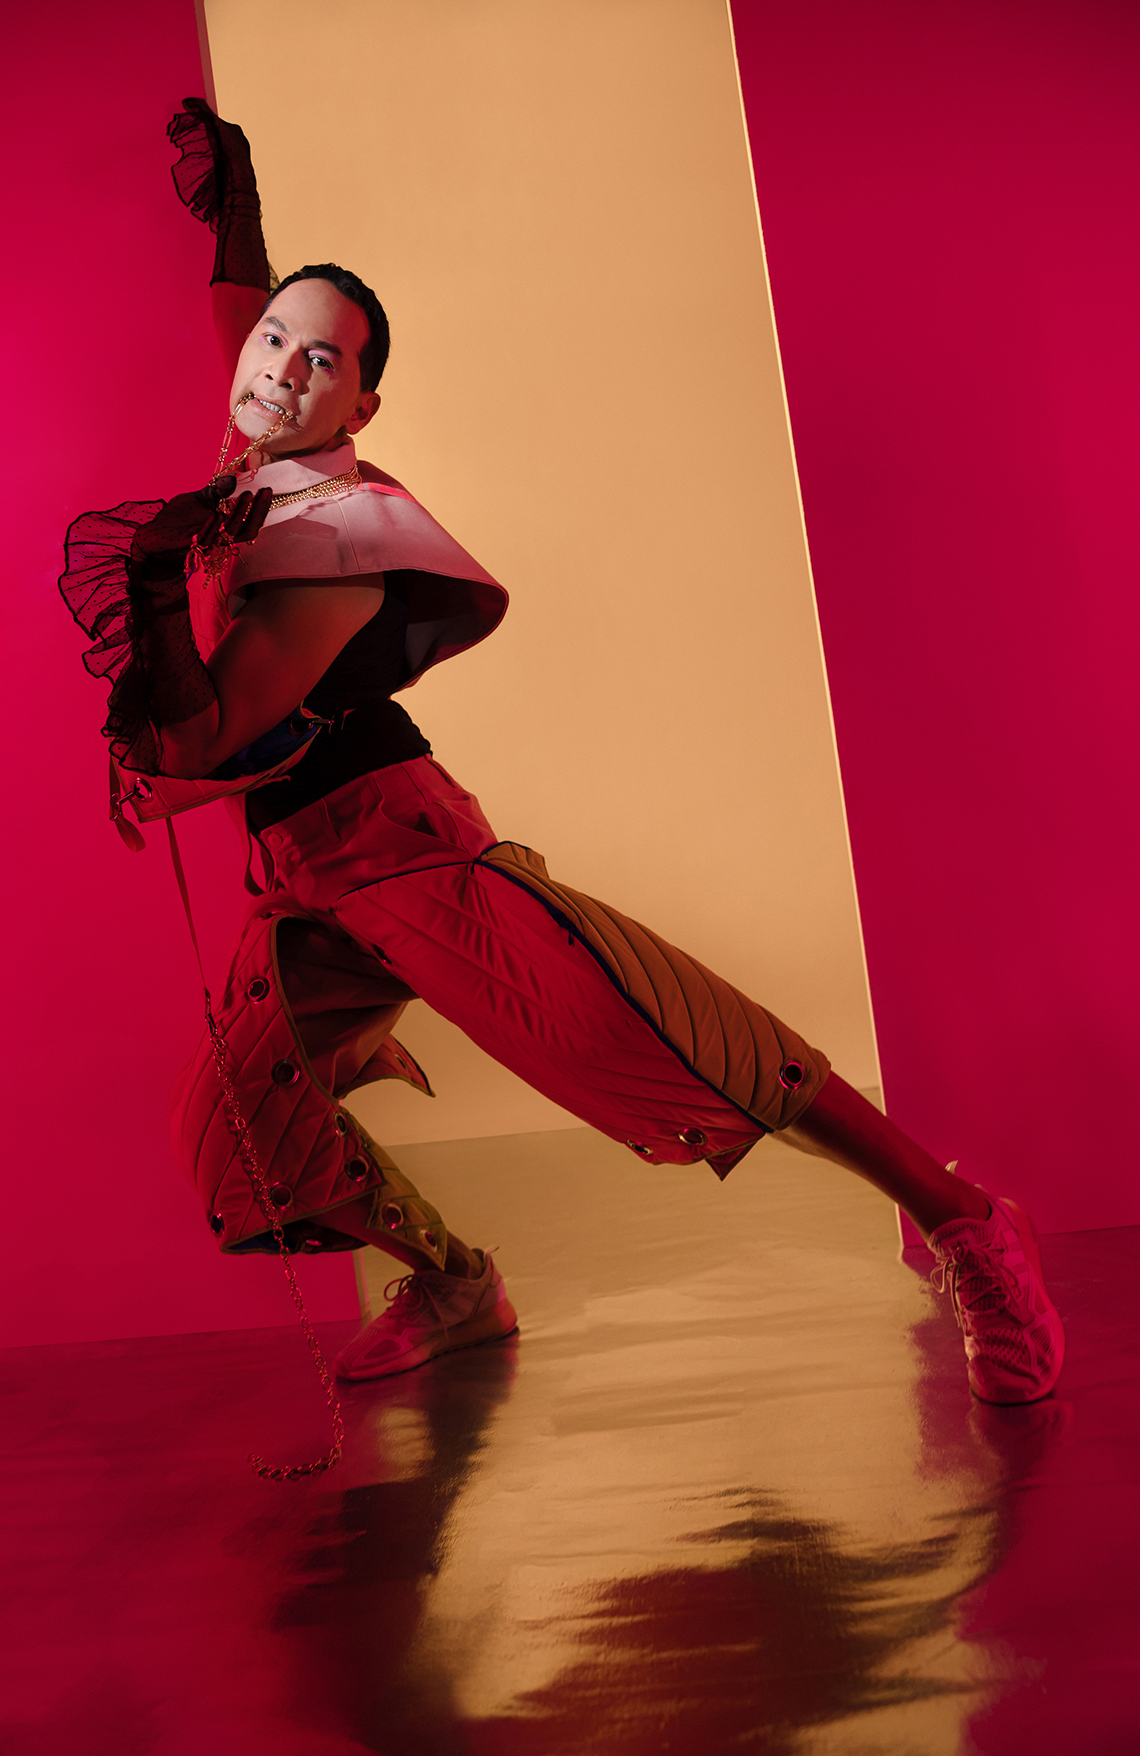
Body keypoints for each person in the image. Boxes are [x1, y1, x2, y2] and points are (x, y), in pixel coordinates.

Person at [61, 100, 1063, 1406]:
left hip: (400, 849)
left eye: (323, 360)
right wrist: (234, 208)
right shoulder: (253, 464)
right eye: (274, 346)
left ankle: (967, 1224)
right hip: (300, 877)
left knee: (660, 1031)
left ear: (363, 401)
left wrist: (150, 601)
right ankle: (455, 1284)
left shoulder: (338, 533)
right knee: (236, 1123)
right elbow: (244, 308)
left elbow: (211, 736)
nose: (282, 368)